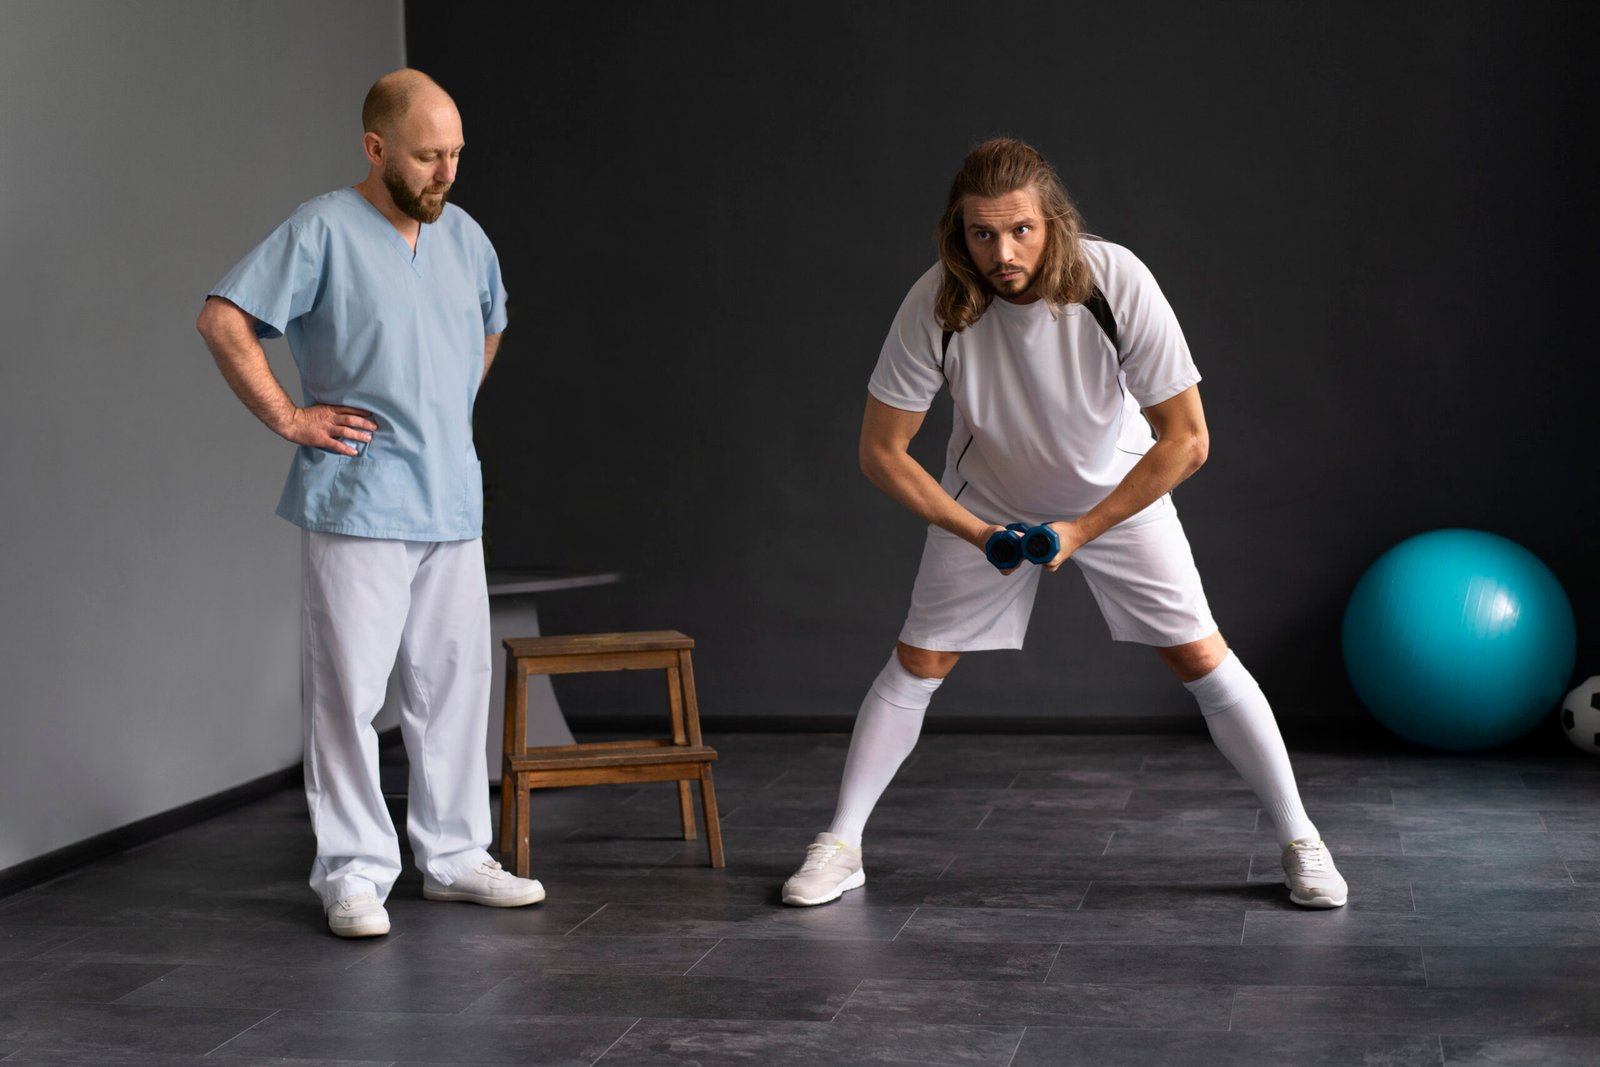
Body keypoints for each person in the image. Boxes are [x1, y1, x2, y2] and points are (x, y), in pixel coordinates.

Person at [782, 138, 1347, 911]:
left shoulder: (1115, 280)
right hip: (988, 499)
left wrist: (1082, 528)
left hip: (1117, 493)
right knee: (919, 661)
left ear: (1053, 221)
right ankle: (841, 845)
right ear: (959, 233)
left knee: (1200, 655)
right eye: (982, 234)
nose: (1002, 253)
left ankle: (1302, 839)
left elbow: (1188, 439)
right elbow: (881, 452)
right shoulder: (937, 301)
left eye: (1020, 229)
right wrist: (976, 532)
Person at [196, 69, 544, 938]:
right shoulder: (322, 229)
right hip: (358, 497)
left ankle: (456, 855)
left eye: (456, 154)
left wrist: (446, 411)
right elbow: (223, 320)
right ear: (375, 147)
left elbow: (492, 322)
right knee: (347, 693)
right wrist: (291, 416)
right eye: (427, 157)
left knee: (454, 687)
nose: (446, 173)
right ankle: (352, 871)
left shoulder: (465, 236)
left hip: (450, 500)